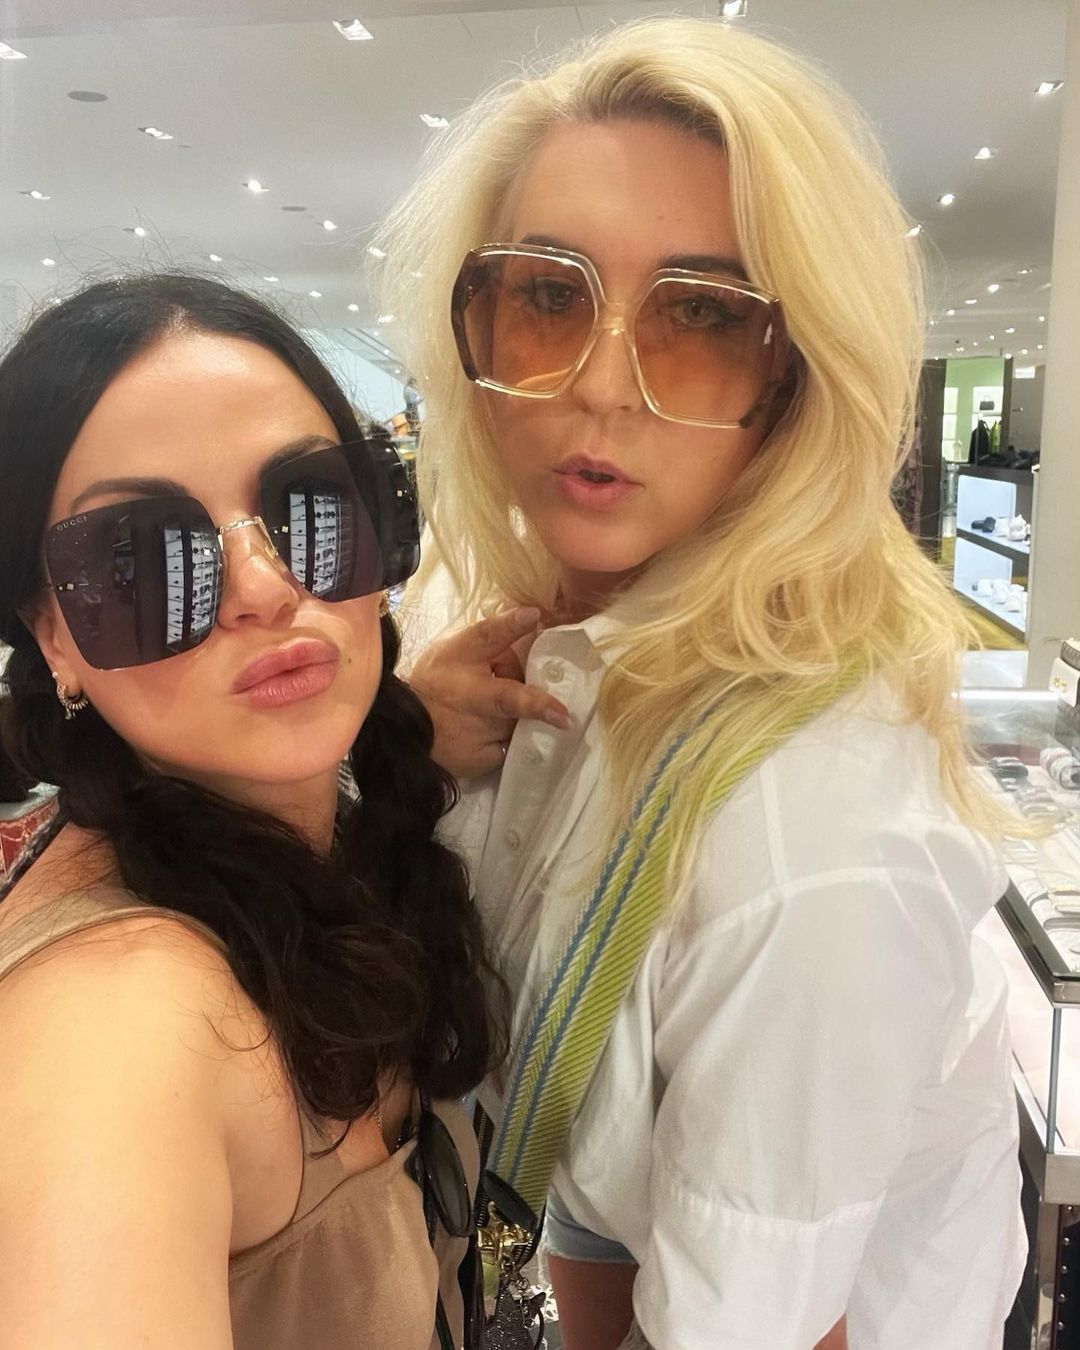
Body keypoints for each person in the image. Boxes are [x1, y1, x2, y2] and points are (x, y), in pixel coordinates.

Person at [375, 18, 1025, 1350]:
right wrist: (400, 754)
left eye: (704, 315)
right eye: (548, 294)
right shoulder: (499, 620)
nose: (601, 385)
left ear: (799, 376)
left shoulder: (807, 843)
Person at [0, 274, 501, 1350]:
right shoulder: (118, 1028)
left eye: (311, 510)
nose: (269, 588)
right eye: (146, 559)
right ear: (50, 637)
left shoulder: (322, 855)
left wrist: (415, 731)